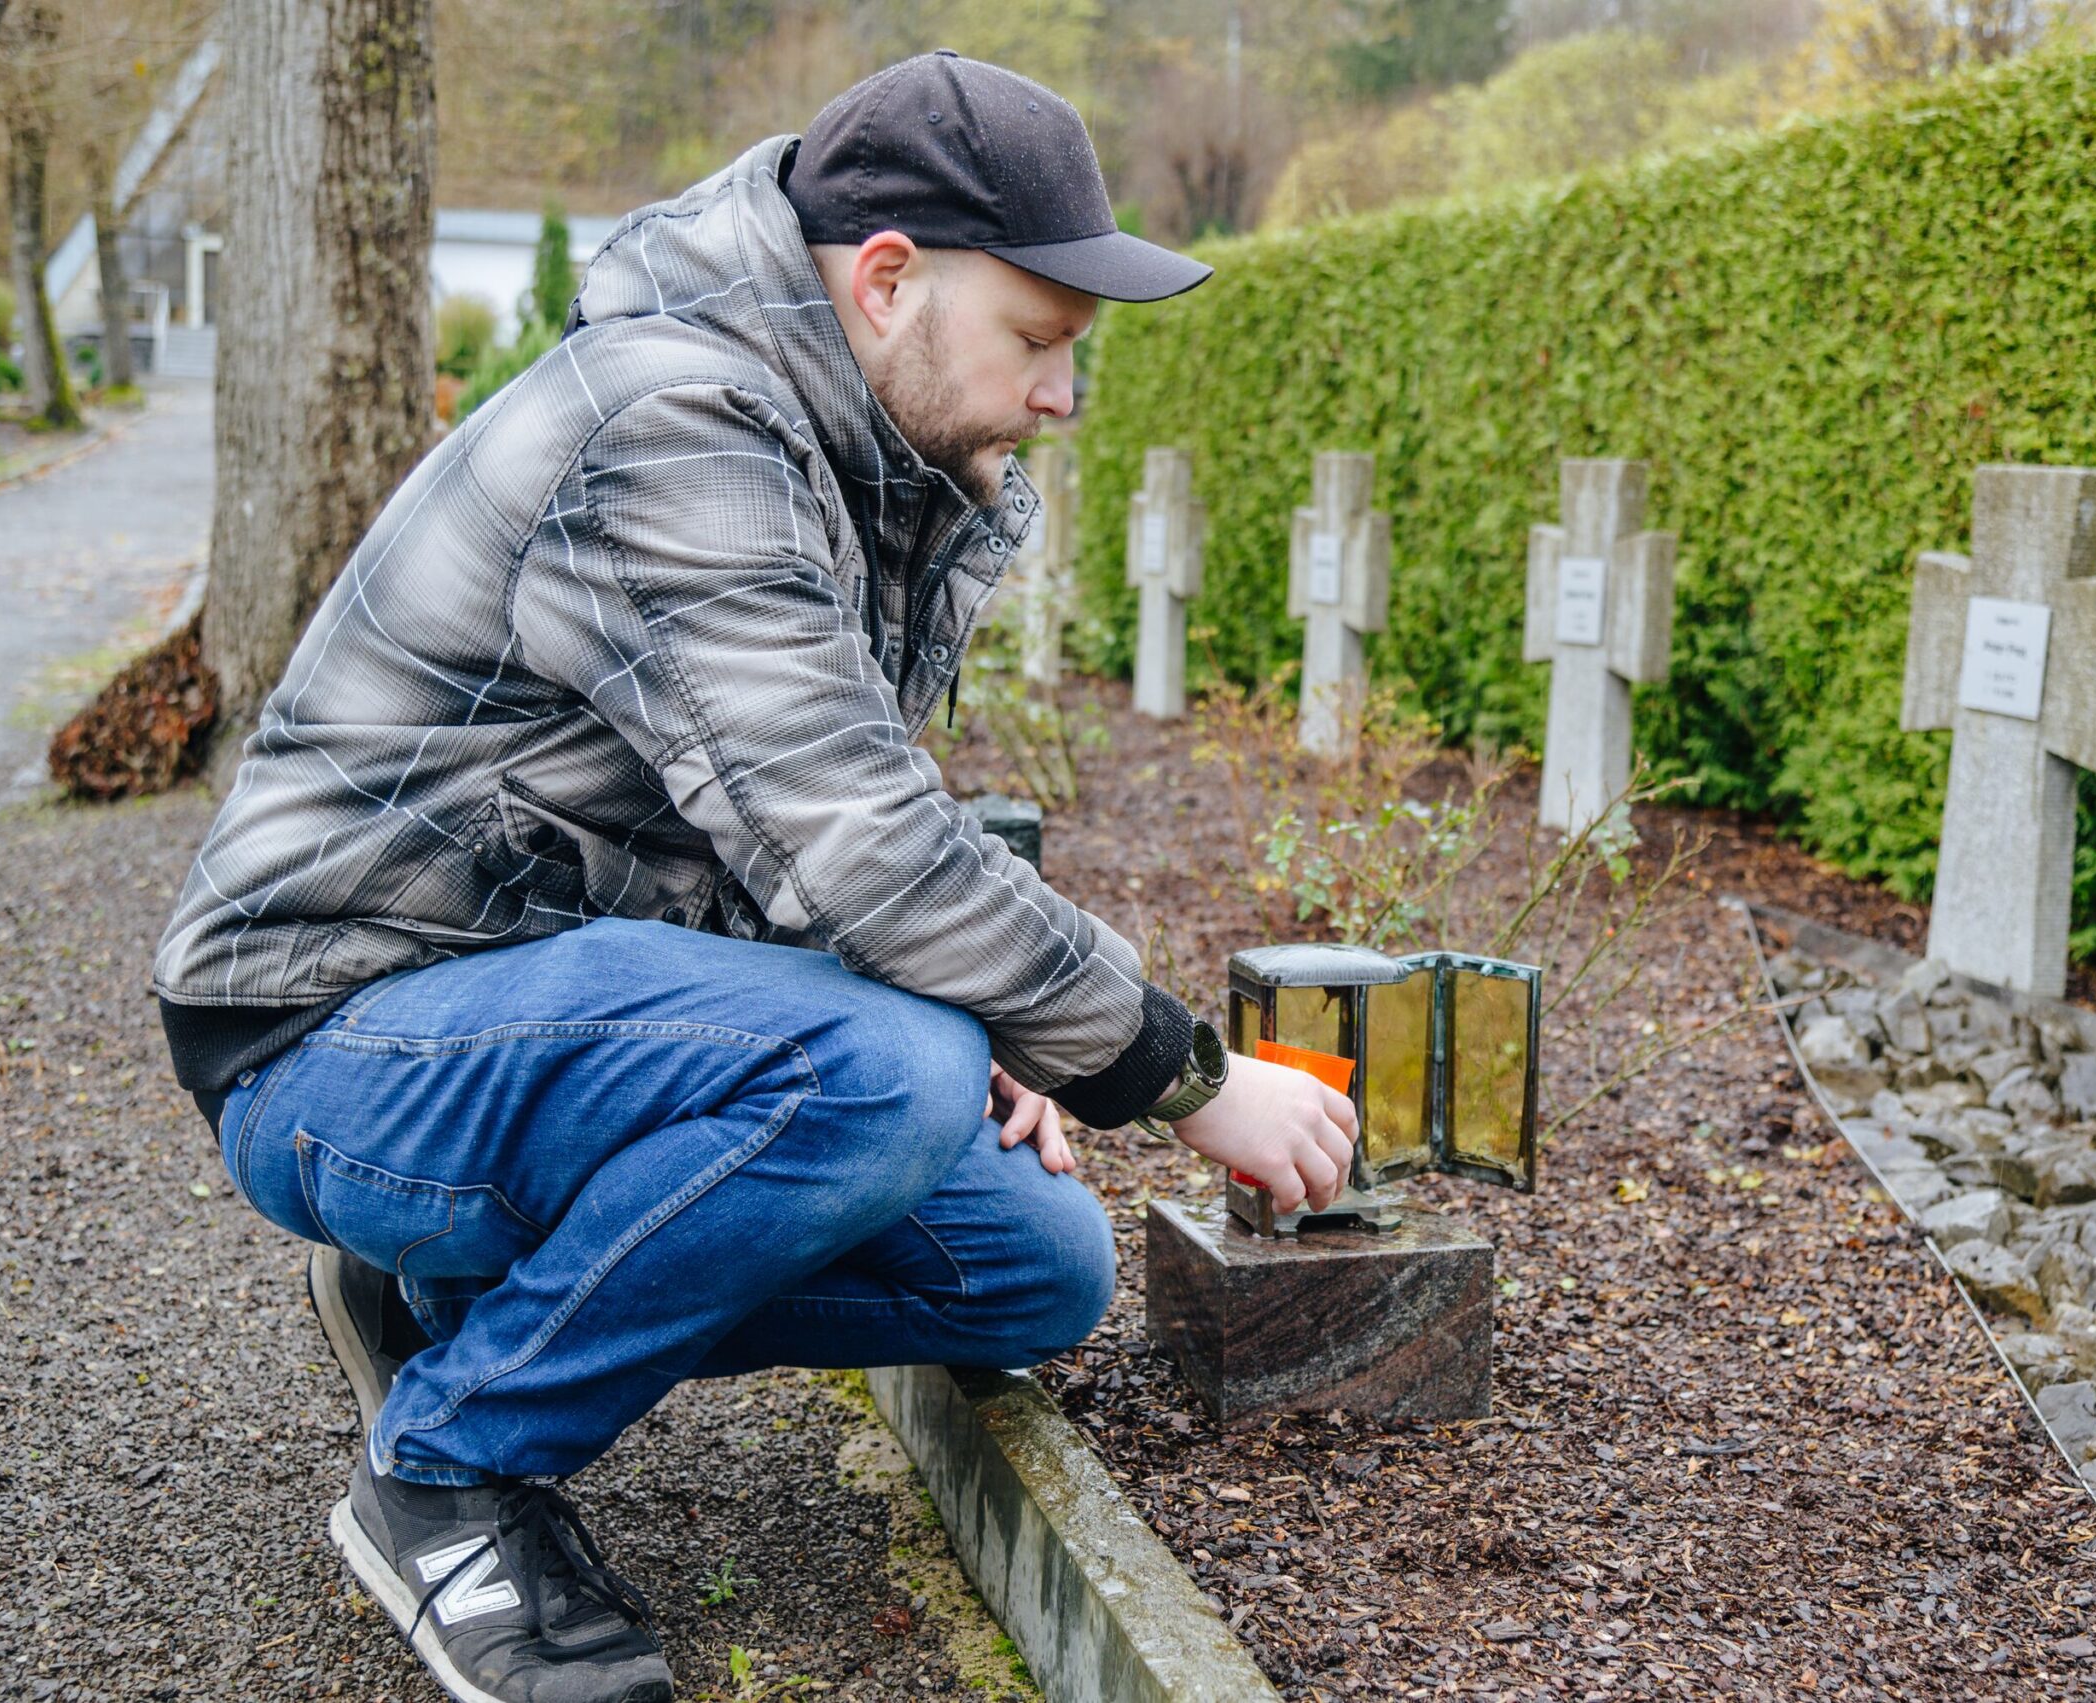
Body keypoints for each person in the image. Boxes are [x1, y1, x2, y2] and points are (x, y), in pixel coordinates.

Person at [152, 52, 1357, 1703]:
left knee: (1033, 1270)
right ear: (885, 281)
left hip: (546, 1002)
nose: (1065, 399)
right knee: (886, 1069)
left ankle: (445, 1294)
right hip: (333, 1033)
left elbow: (771, 839)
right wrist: (1179, 1070)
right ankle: (445, 1473)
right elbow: (858, 840)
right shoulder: (674, 421)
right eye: (1040, 343)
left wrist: (1002, 1013)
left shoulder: (841, 443)